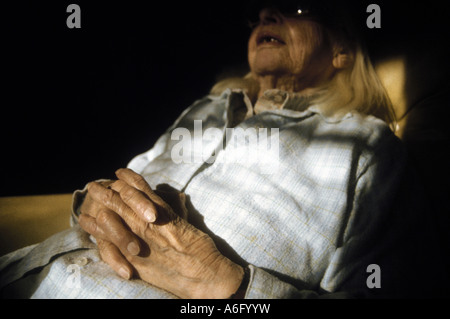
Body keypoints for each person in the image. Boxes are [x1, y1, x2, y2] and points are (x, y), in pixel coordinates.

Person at [0, 1, 445, 298]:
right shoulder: (207, 107)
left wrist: (221, 283)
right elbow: (122, 179)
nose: (267, 14)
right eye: (260, 15)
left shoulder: (367, 146)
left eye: (295, 7)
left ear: (343, 49)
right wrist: (91, 203)